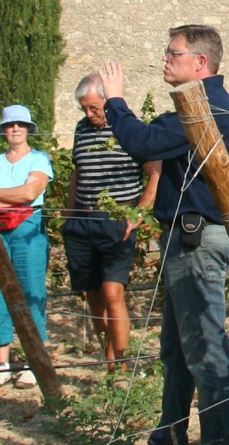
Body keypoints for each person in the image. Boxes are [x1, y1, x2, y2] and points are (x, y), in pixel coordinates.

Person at [101, 24, 229, 445]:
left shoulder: (200, 108)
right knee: (177, 352)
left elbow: (141, 144)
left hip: (198, 242)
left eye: (173, 53)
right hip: (190, 240)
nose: (165, 59)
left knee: (206, 352)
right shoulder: (209, 106)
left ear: (199, 64)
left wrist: (115, 101)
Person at [64, 73, 160, 373]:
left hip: (118, 220)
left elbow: (155, 172)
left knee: (112, 292)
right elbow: (78, 172)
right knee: (92, 293)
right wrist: (69, 214)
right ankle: (109, 358)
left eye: (94, 107)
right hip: (82, 220)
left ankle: (121, 362)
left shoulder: (128, 129)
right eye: (84, 109)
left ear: (109, 100)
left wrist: (139, 213)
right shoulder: (81, 130)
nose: (89, 114)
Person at [0, 104, 54, 388]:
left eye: (20, 125)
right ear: (3, 130)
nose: (15, 129)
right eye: (10, 125)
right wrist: (10, 197)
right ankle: (1, 362)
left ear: (27, 129)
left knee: (31, 290)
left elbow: (30, 192)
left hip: (29, 229)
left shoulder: (39, 159)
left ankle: (31, 361)